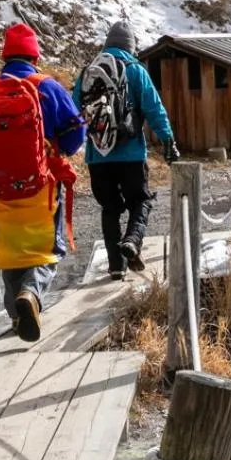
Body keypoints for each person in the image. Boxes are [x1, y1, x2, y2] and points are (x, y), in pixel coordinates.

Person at [0, 22, 84, 342]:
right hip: (41, 186)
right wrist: (58, 151)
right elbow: (76, 133)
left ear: (5, 55)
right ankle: (31, 294)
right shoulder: (48, 87)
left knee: (11, 251)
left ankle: (17, 317)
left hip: (0, 189)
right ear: (35, 55)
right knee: (45, 251)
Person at [74, 20, 179, 280]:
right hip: (131, 155)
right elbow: (155, 109)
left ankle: (116, 266)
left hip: (98, 156)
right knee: (140, 201)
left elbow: (73, 110)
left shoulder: (90, 72)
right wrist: (168, 141)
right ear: (131, 46)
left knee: (110, 208)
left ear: (108, 44)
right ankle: (132, 241)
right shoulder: (136, 70)